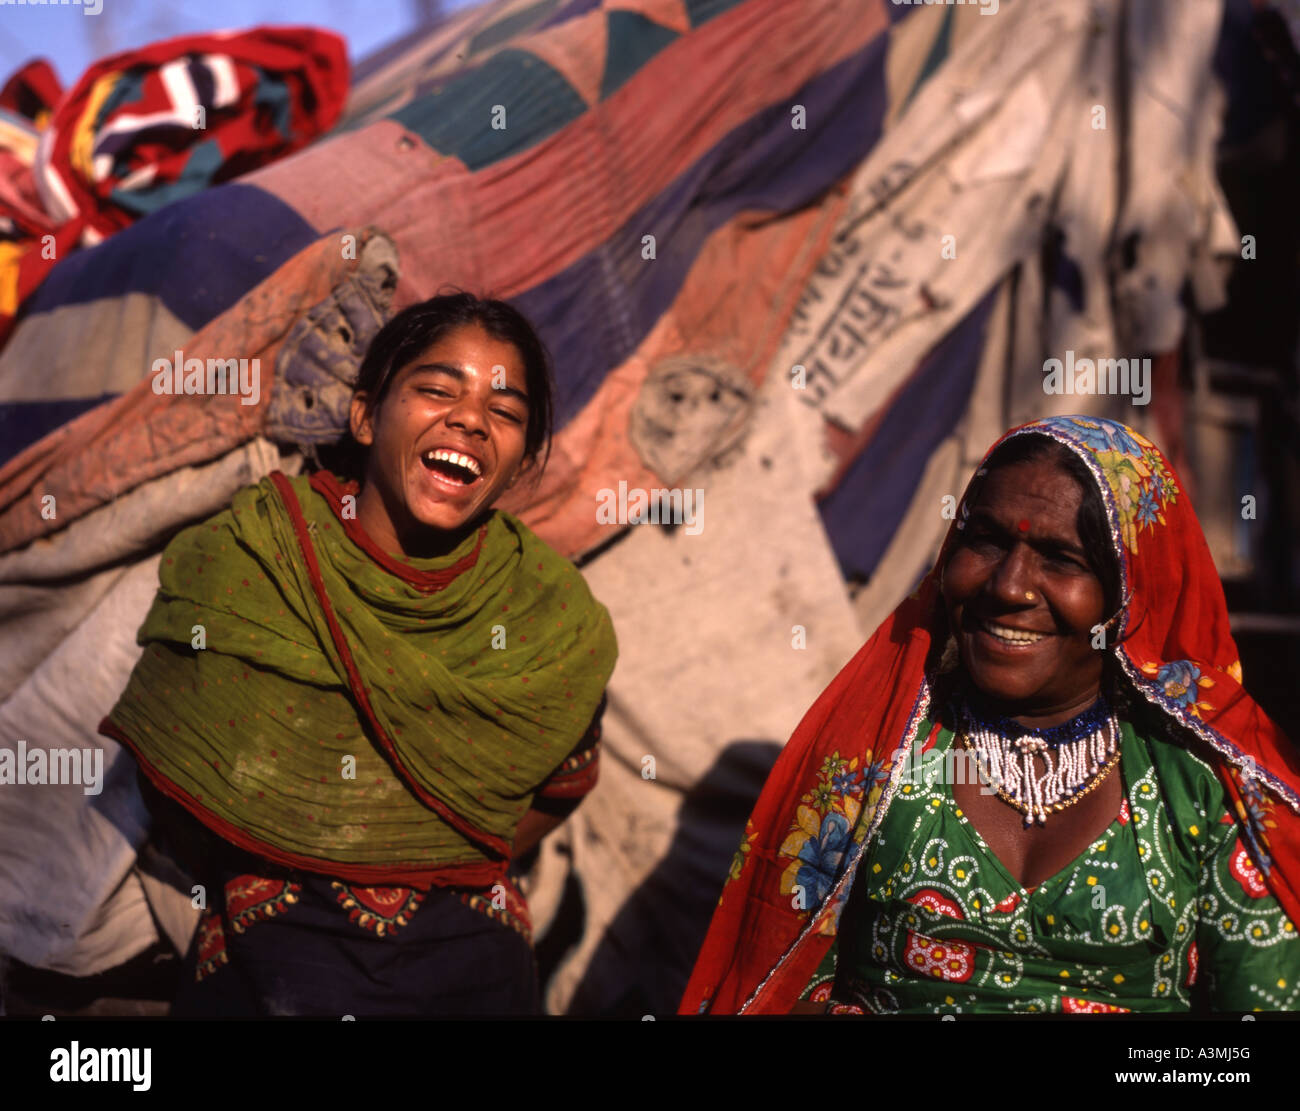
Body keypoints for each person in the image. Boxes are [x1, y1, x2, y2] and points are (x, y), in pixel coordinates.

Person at [102, 293, 617, 1016]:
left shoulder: (549, 614)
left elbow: (560, 786)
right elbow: (176, 781)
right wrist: (293, 847)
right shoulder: (252, 560)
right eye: (437, 389)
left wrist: (420, 853)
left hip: (470, 975)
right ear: (367, 415)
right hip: (268, 966)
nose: (470, 419)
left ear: (523, 459)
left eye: (504, 412)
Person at [681, 416, 1300, 1014]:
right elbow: (773, 988)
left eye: (1061, 559)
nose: (1008, 586)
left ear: (1129, 597)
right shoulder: (872, 759)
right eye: (987, 541)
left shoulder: (1205, 790)